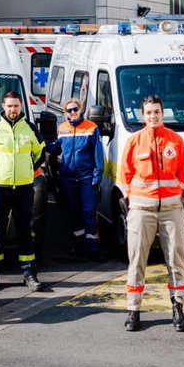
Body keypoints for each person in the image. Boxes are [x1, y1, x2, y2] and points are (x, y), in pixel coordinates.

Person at [119, 95, 184, 333]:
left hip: (171, 211)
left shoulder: (175, 140)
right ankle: (134, 309)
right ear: (143, 115)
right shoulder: (134, 141)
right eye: (149, 112)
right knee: (137, 260)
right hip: (141, 210)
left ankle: (178, 307)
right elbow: (124, 175)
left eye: (157, 112)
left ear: (163, 113)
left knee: (175, 258)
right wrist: (134, 201)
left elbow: (183, 172)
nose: (153, 116)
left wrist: (174, 194)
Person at [0, 91, 45, 292]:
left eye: (16, 106)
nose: (12, 110)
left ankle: (29, 274)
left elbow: (40, 152)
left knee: (25, 230)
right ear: (3, 107)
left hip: (24, 187)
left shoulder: (30, 129)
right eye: (9, 106)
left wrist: (29, 168)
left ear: (21, 106)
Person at [53, 98, 105, 261]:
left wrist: (96, 179)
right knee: (75, 214)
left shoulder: (91, 128)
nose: (73, 113)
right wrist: (42, 144)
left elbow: (98, 156)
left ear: (81, 109)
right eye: (69, 110)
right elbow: (56, 148)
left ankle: (93, 250)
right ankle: (78, 247)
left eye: (75, 109)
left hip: (86, 178)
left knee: (89, 213)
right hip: (68, 179)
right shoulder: (62, 129)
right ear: (65, 113)